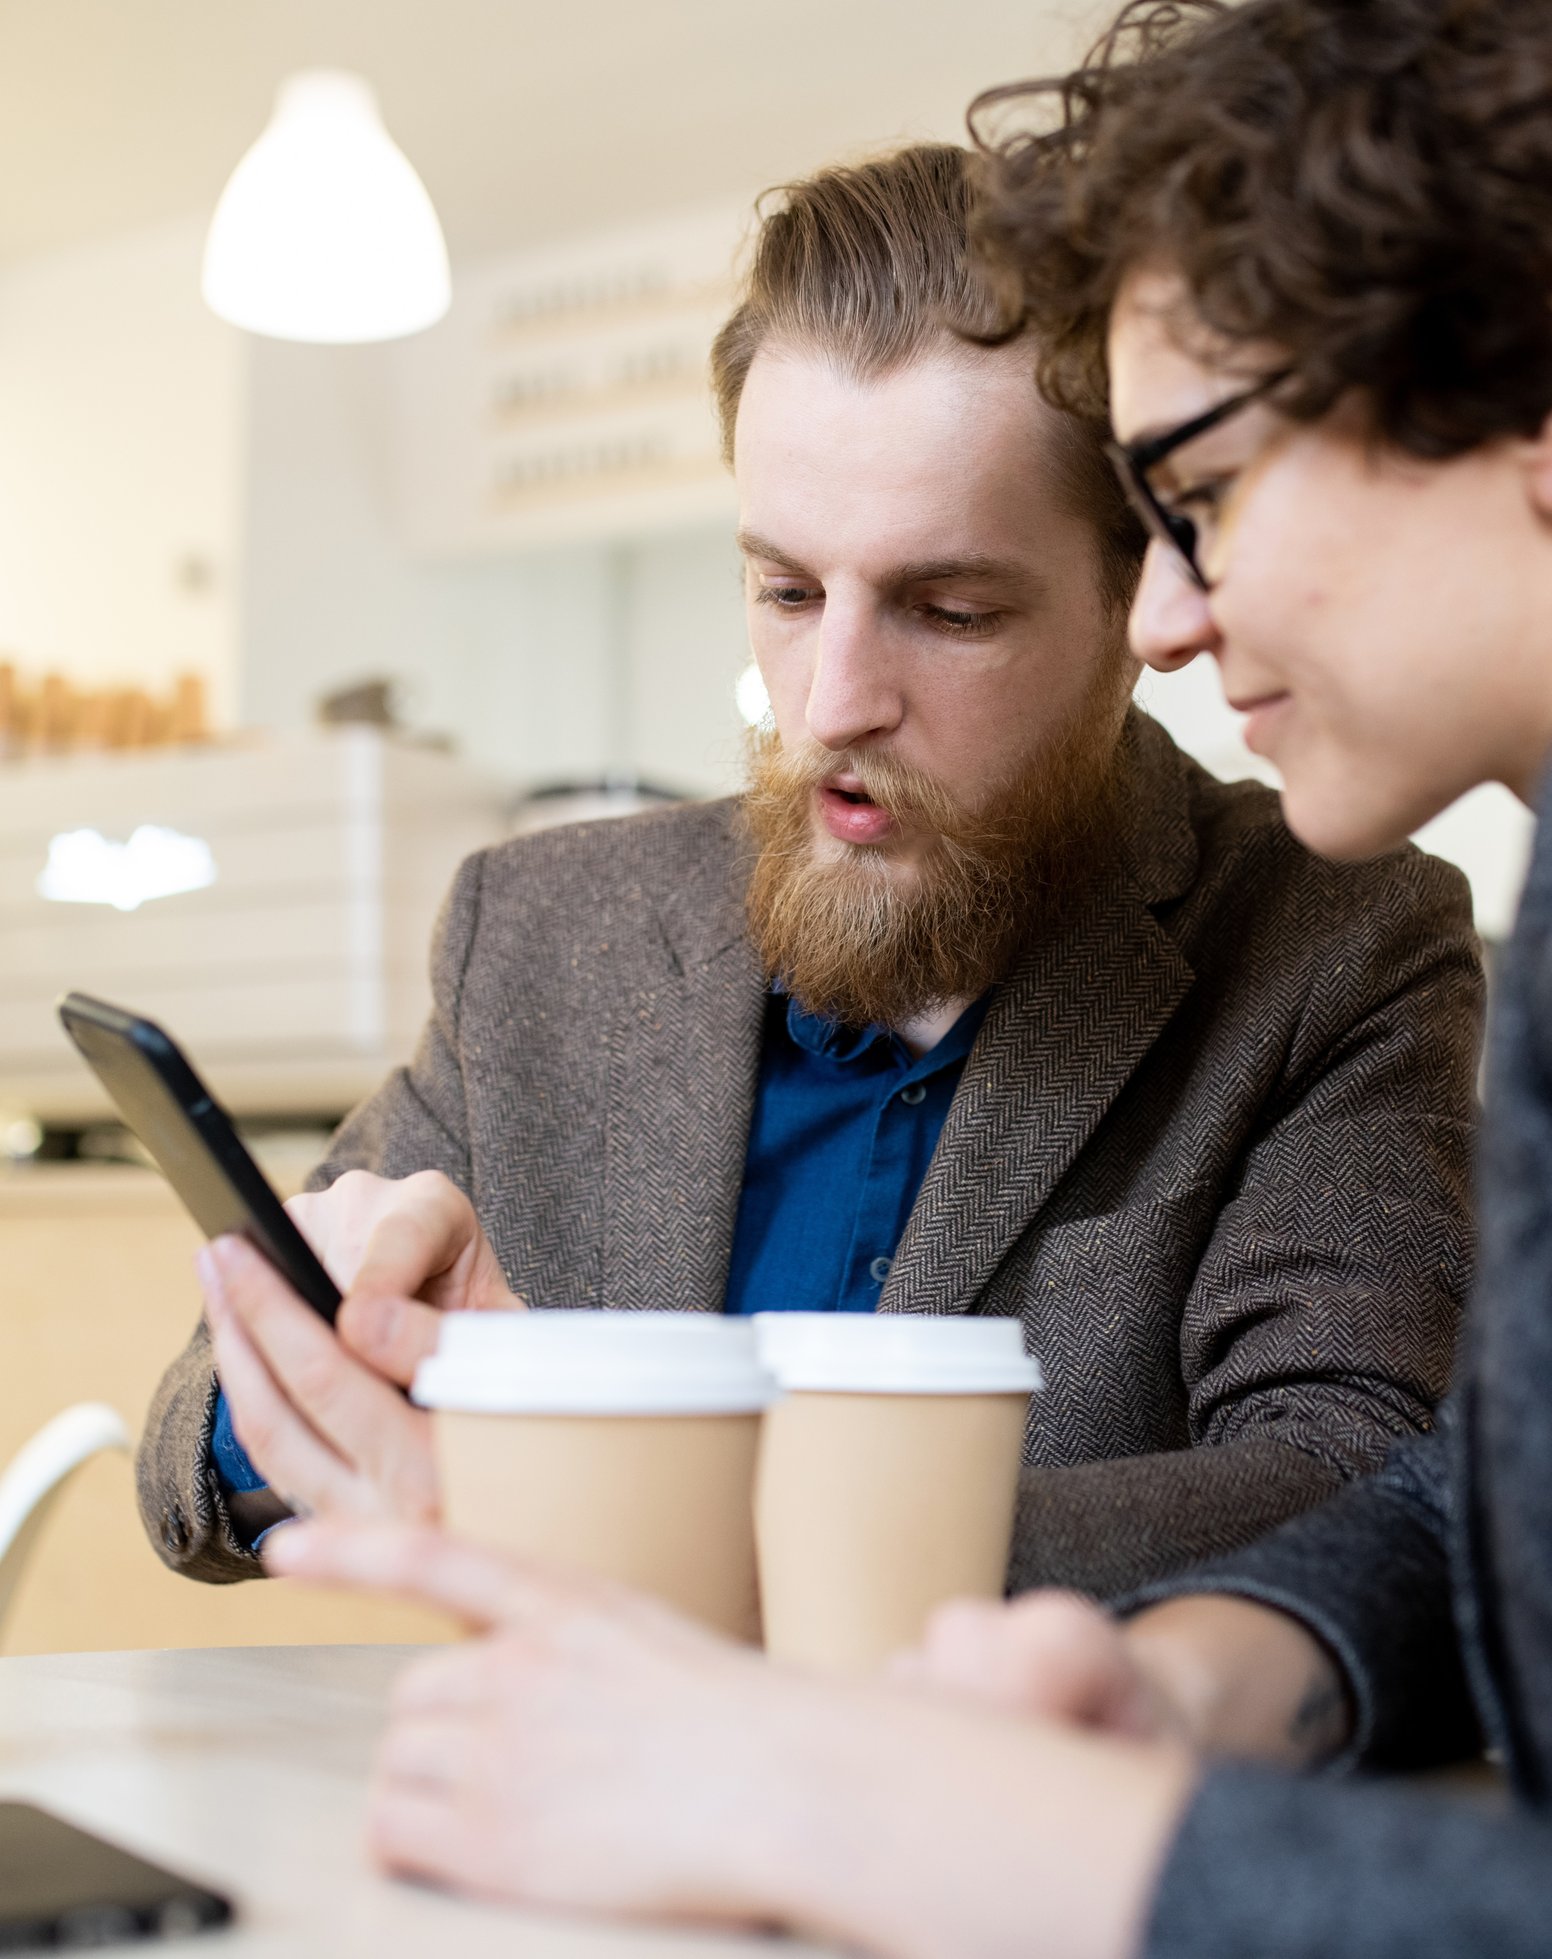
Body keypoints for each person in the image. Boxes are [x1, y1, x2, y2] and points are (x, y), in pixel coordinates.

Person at [267, 0, 1552, 1953]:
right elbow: (1483, 1493)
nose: (1167, 617)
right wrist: (1194, 1676)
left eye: (1208, 490)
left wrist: (867, 1806)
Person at [136, 141, 1483, 1601]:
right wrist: (308, 1364)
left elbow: (1360, 1478)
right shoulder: (537, 932)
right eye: (784, 591)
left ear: (1135, 601)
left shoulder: (1333, 941)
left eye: (950, 609)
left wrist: (684, 1526)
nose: (831, 697)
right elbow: (189, 1474)